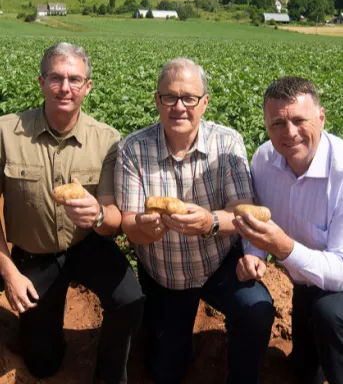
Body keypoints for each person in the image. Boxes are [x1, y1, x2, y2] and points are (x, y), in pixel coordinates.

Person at [114, 58, 274, 384]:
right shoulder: (133, 149)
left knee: (256, 309)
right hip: (165, 275)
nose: (179, 107)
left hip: (218, 264)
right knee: (166, 370)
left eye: (189, 98)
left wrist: (211, 222)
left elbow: (242, 209)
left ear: (205, 102)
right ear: (157, 100)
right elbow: (128, 222)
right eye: (169, 97)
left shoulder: (226, 142)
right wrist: (144, 229)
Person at [0, 42, 144, 384]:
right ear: (40, 82)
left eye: (75, 80)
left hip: (85, 244)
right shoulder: (6, 132)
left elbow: (111, 220)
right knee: (42, 363)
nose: (65, 88)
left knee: (129, 298)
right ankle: (45, 334)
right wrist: (9, 273)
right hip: (33, 254)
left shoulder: (106, 139)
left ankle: (110, 374)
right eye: (56, 78)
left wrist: (97, 214)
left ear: (88, 87)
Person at [233, 76, 343, 384]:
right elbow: (258, 216)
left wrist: (284, 248)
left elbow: (341, 271)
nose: (289, 132)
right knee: (303, 371)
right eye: (278, 123)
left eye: (299, 120)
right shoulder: (265, 159)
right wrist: (255, 253)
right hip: (307, 283)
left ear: (321, 118)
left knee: (330, 313)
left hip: (339, 286)